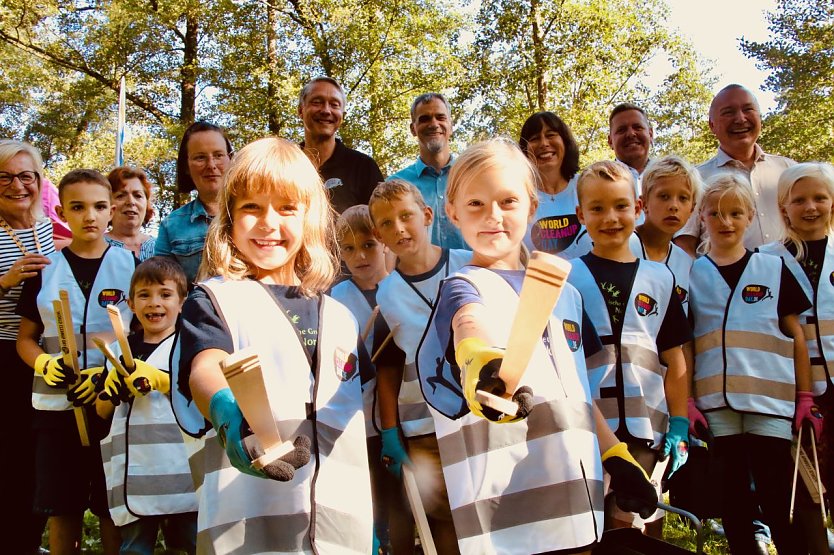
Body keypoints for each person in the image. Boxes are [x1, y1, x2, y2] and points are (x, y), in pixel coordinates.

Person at [415, 139, 657, 554]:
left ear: (531, 206)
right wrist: (482, 366)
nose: (493, 216)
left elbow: (577, 392)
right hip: (507, 512)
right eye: (476, 204)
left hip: (576, 504)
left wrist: (615, 454)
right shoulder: (463, 286)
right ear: (452, 213)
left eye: (507, 201)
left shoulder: (565, 295)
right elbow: (468, 328)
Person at [179, 137, 372, 553]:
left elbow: (356, 409)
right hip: (250, 527)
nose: (268, 222)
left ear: (310, 218)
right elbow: (205, 367)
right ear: (229, 218)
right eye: (251, 207)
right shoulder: (215, 300)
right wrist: (226, 408)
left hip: (341, 530)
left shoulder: (341, 315)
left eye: (286, 208)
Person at [688, 172, 816, 554]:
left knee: (777, 496)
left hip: (769, 403)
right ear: (703, 218)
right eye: (715, 214)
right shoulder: (693, 274)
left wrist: (805, 396)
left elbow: (797, 336)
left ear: (749, 217)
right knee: (733, 498)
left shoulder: (774, 269)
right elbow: (687, 342)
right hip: (716, 405)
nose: (725, 222)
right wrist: (690, 401)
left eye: (735, 213)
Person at [568, 160, 690, 538]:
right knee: (592, 530)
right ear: (580, 215)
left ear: (637, 209)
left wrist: (680, 421)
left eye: (621, 206)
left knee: (638, 526)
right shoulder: (566, 277)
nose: (610, 218)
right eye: (597, 208)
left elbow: (675, 358)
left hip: (646, 428)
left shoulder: (660, 278)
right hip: (589, 427)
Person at [17, 168, 135, 555]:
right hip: (55, 406)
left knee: (110, 503)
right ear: (62, 212)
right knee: (61, 504)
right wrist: (43, 365)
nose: (90, 216)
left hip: (111, 403)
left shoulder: (131, 267)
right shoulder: (45, 270)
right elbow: (25, 340)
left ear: (111, 209)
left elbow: (140, 335)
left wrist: (108, 376)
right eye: (78, 207)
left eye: (100, 206)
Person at [368, 179, 469, 554]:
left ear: (426, 215)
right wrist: (391, 432)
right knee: (441, 515)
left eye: (406, 216)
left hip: (478, 416)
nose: (399, 228)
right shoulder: (387, 294)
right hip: (424, 426)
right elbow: (389, 369)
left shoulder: (467, 264)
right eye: (387, 223)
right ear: (379, 234)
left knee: (484, 505)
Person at [95, 256, 199, 555]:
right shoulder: (117, 350)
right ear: (130, 303)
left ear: (182, 302)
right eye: (144, 295)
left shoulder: (192, 347)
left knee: (194, 545)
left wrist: (162, 380)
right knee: (135, 549)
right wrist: (109, 394)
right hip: (134, 476)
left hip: (183, 474)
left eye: (165, 295)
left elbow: (200, 395)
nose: (154, 303)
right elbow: (101, 412)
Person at [759, 162, 834, 552]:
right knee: (803, 490)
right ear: (783, 206)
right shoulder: (766, 260)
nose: (810, 207)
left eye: (819, 198)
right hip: (792, 396)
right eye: (799, 199)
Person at [329, 205, 412, 554]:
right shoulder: (335, 300)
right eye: (347, 249)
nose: (359, 256)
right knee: (371, 499)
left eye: (367, 245)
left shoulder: (403, 290)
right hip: (360, 422)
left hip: (405, 415)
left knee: (406, 504)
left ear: (384, 244)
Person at [0, 140, 55, 554]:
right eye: (5, 176)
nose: (17, 185)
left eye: (25, 176)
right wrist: (5, 281)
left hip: (43, 357)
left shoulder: (54, 229)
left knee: (36, 460)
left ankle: (27, 542)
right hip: (2, 355)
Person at [675, 84, 795, 256]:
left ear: (760, 117)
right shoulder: (695, 179)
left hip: (790, 279)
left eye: (748, 109)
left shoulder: (788, 170)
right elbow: (684, 244)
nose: (740, 119)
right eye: (728, 112)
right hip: (723, 282)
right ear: (712, 125)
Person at [155, 121, 233, 285]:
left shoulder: (254, 215)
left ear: (230, 159)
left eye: (218, 155)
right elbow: (163, 287)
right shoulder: (171, 226)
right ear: (186, 166)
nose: (211, 165)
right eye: (200, 157)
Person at [390, 93, 466, 250]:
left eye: (440, 117)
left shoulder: (471, 174)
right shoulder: (396, 184)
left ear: (451, 126)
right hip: (418, 274)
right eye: (424, 119)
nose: (434, 124)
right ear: (413, 129)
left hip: (474, 272)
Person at [298, 76, 384, 214]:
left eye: (334, 104)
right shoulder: (285, 166)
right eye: (317, 102)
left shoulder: (363, 167)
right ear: (301, 111)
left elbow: (383, 222)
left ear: (342, 116)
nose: (326, 110)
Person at [630, 155, 702, 314]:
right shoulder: (623, 246)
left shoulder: (685, 263)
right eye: (664, 196)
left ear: (692, 209)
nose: (674, 206)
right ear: (644, 203)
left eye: (683, 198)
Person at [518, 111, 591, 258]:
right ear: (525, 150)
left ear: (565, 141)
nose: (544, 143)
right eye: (534, 138)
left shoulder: (588, 186)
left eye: (551, 135)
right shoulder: (517, 196)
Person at [105, 166, 156, 261]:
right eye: (120, 196)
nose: (131, 201)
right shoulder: (95, 247)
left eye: (138, 195)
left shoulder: (162, 249)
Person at [608, 103, 655, 187]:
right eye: (621, 130)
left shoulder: (672, 177)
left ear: (650, 135)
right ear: (610, 141)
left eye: (638, 127)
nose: (631, 134)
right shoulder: (596, 182)